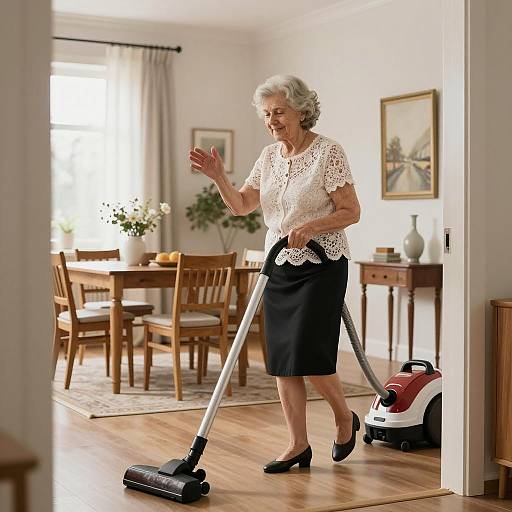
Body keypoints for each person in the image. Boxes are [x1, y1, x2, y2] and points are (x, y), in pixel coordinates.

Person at [189, 75, 361, 473]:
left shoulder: (327, 153)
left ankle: (343, 419)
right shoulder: (268, 157)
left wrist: (312, 227)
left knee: (310, 355)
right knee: (284, 358)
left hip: (322, 265)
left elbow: (351, 211)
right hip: (279, 265)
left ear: (301, 110)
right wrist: (219, 178)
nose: (272, 120)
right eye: (266, 114)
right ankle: (297, 444)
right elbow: (242, 205)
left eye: (279, 112)